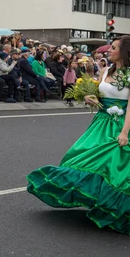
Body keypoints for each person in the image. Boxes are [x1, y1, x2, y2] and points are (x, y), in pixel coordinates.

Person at [27, 36, 130, 235]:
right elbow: (100, 94)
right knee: (84, 157)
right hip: (101, 123)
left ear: (124, 52)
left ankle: (113, 207)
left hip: (122, 125)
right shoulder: (106, 70)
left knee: (114, 166)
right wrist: (89, 97)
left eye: (114, 48)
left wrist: (125, 132)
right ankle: (96, 198)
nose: (109, 50)